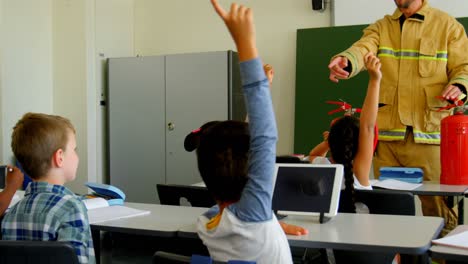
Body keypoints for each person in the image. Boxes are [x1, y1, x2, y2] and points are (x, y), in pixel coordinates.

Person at [328, 0, 468, 235]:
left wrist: (460, 85)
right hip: (388, 140)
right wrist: (347, 60)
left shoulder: (447, 26)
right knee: (386, 213)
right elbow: (363, 48)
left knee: (438, 214)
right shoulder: (382, 27)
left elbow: (464, 66)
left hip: (429, 138)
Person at [183, 1, 293, 262]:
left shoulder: (208, 223)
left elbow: (259, 140)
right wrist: (245, 42)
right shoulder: (254, 214)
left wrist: (272, 223)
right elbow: (263, 138)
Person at [2, 113, 95, 264]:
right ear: (60, 157)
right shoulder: (71, 208)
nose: (77, 156)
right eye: (74, 150)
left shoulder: (12, 212)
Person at [310, 52, 381, 213]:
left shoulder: (324, 169)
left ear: (332, 143)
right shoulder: (359, 174)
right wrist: (375, 80)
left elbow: (313, 156)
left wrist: (327, 143)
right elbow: (367, 127)